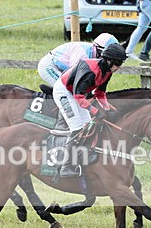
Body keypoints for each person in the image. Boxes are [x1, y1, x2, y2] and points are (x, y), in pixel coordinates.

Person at [53, 43, 128, 176]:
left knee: (88, 125)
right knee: (77, 128)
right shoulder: (91, 71)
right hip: (64, 92)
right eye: (118, 63)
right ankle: (66, 166)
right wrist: (95, 111)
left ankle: (82, 156)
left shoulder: (107, 72)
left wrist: (106, 109)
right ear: (109, 61)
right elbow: (78, 96)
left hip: (76, 94)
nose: (119, 67)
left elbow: (100, 93)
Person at [37, 32, 117, 86]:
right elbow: (74, 75)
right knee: (64, 88)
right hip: (50, 66)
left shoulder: (94, 52)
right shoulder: (82, 53)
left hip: (63, 69)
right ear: (100, 49)